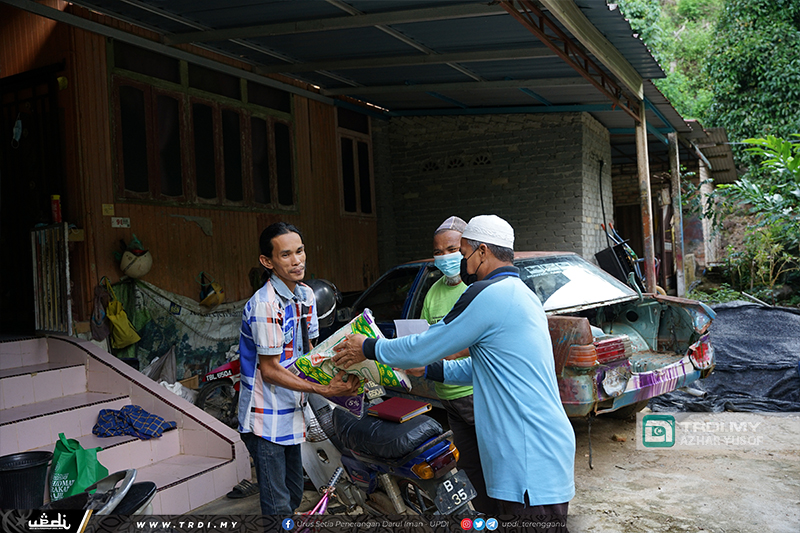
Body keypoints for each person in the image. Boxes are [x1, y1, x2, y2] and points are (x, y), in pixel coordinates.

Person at [333, 215, 575, 528]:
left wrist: (368, 348)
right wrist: (432, 370)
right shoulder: (523, 295)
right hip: (535, 446)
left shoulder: (487, 295)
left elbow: (426, 343)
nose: (461, 260)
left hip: (527, 454)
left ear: (483, 251)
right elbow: (487, 367)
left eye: (464, 252)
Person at [238, 222, 360, 516]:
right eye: (286, 255)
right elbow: (270, 371)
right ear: (268, 262)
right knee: (278, 506)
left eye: (300, 251)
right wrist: (325, 389)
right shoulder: (265, 305)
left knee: (293, 495)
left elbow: (312, 354)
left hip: (293, 413)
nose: (297, 261)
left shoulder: (305, 296)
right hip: (264, 419)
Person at [419, 216, 495, 514]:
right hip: (448, 396)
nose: (445, 257)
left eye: (452, 249)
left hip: (476, 393)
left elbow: (488, 338)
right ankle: (484, 516)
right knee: (469, 465)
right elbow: (426, 337)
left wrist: (452, 348)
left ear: (470, 249)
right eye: (438, 252)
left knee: (494, 462)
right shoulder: (434, 293)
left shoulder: (480, 288)